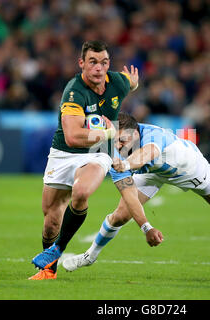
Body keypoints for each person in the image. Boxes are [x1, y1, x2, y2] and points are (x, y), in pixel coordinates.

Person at [62, 112, 210, 272]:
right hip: (152, 173)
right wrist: (146, 227)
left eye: (122, 140)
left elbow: (147, 154)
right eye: (115, 141)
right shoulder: (115, 151)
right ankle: (90, 256)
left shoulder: (153, 138)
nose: (118, 146)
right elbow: (129, 195)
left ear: (134, 133)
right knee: (120, 215)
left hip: (186, 168)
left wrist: (127, 165)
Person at [28, 40, 139, 280]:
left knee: (81, 192)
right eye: (93, 62)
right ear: (81, 64)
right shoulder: (74, 92)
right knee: (51, 221)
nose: (99, 68)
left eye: (104, 62)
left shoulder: (117, 82)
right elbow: (72, 137)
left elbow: (129, 83)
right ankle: (49, 270)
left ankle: (57, 249)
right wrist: (107, 133)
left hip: (97, 152)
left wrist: (134, 83)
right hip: (64, 152)